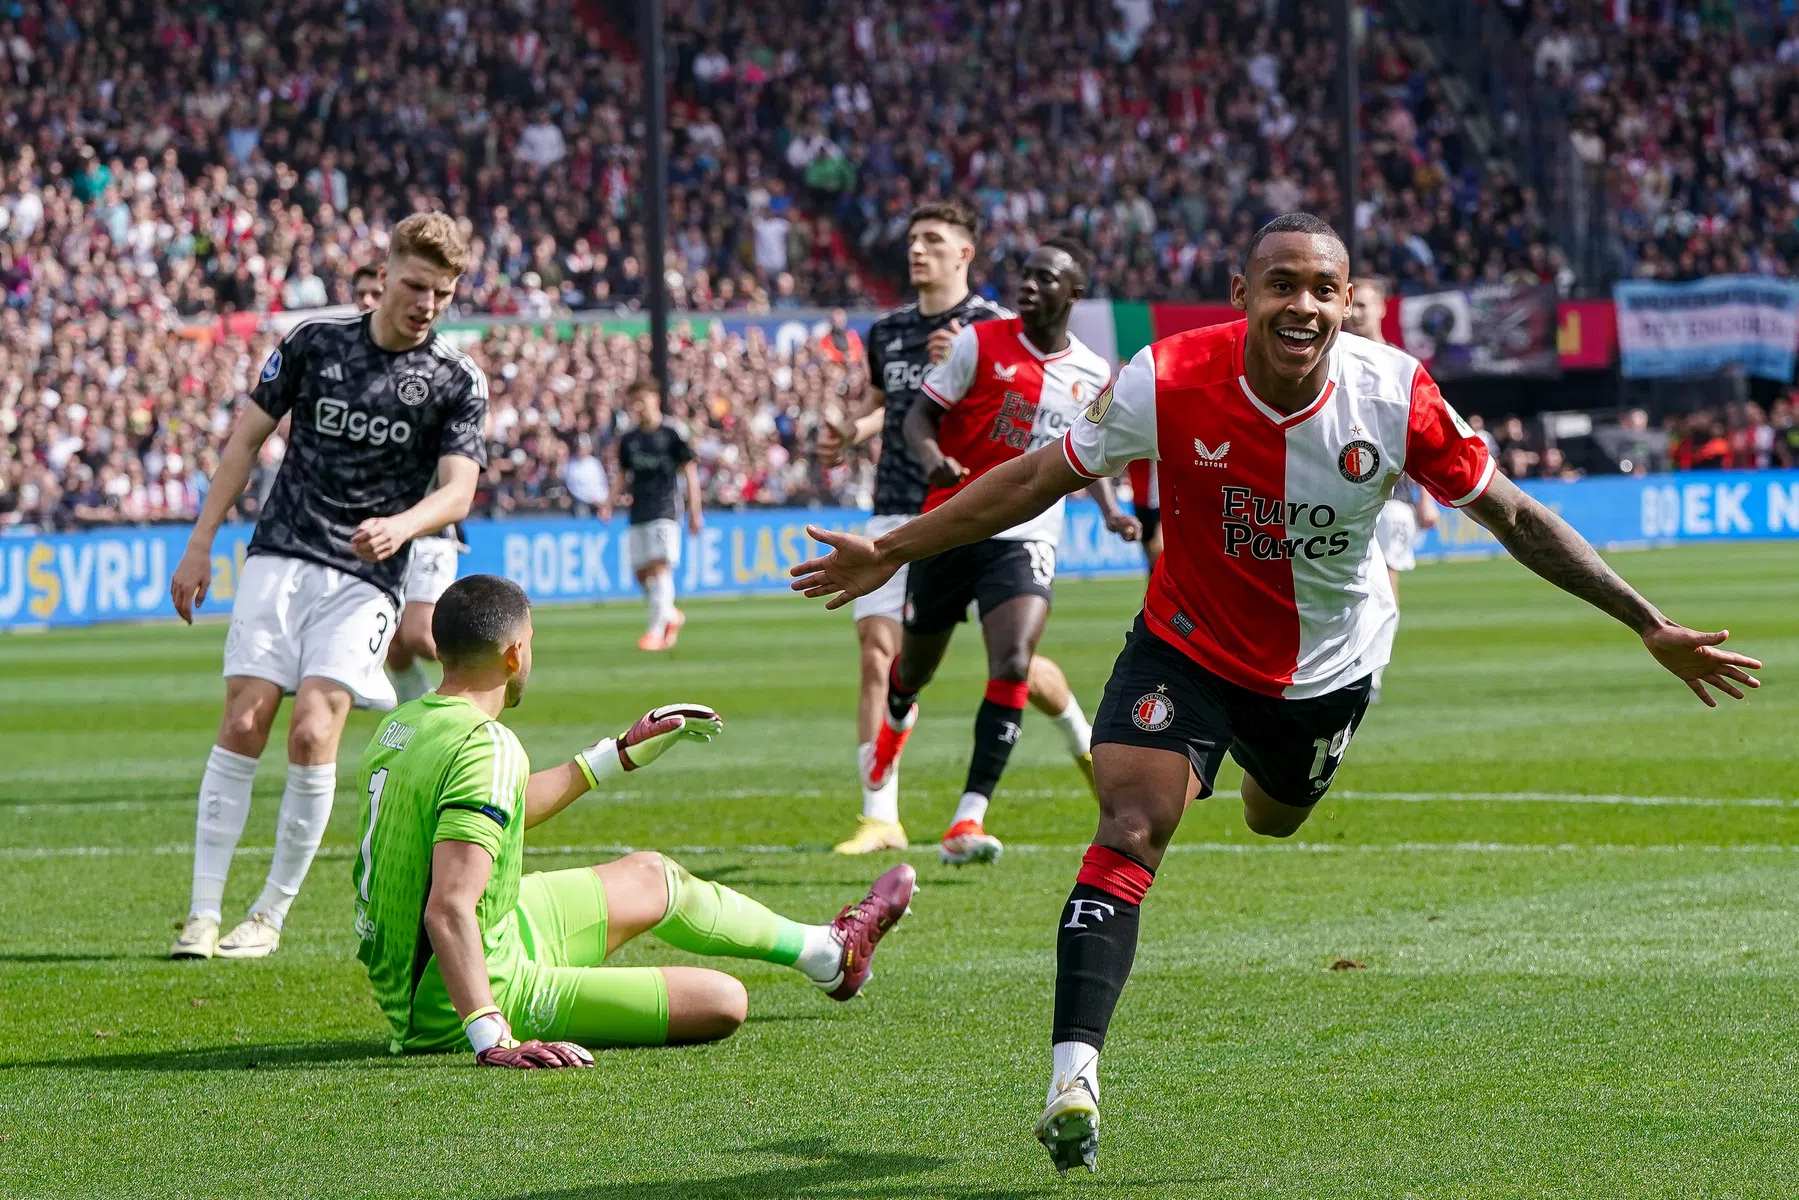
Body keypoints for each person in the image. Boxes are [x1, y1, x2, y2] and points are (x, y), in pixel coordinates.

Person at [790, 213, 1762, 1175]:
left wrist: (1642, 620)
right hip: (1184, 645)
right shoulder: (1164, 380)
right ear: (1242, 295)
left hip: (1321, 674)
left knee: (1274, 818)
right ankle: (1072, 1081)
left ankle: (1244, 780)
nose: (1302, 304)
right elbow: (1036, 478)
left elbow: (1509, 512)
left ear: (1345, 303)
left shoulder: (1392, 394)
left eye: (1322, 289)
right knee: (1128, 823)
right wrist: (893, 544)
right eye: (1282, 284)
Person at [354, 574, 916, 1062]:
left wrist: (616, 752)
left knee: (653, 875)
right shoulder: (488, 743)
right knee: (725, 1001)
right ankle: (481, 1020)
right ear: (514, 654)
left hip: (481, 939)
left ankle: (829, 954)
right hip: (468, 993)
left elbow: (490, 818)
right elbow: (449, 907)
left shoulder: (405, 724)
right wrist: (489, 1033)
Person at [168, 212, 491, 961]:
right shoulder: (314, 343)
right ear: (383, 273)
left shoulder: (454, 378)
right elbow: (245, 441)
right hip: (281, 551)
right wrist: (199, 544)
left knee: (314, 729)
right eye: (415, 286)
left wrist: (405, 525)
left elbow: (460, 491)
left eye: (442, 294)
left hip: (367, 574)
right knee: (245, 721)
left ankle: (269, 915)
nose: (426, 305)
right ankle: (201, 914)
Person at [816, 202, 1126, 857]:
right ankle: (885, 795)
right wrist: (861, 434)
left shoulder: (1005, 335)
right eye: (912, 239)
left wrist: (1108, 509)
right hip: (927, 510)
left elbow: (1083, 446)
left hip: (1018, 527)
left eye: (932, 239)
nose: (917, 250)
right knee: (897, 662)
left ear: (963, 251)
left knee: (1014, 662)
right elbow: (899, 411)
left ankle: (975, 809)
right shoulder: (904, 332)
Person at [1346, 276, 1437, 701]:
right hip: (1341, 496)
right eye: (1352, 304)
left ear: (1383, 309)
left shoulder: (1401, 367)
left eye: (1365, 304)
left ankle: (1373, 673)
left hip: (1393, 499)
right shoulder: (1331, 359)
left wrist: (1428, 495)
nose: (1356, 313)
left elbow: (1423, 438)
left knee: (1385, 585)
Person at [613, 379, 702, 651]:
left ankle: (655, 631)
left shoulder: (672, 434)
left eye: (642, 400)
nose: (638, 407)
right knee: (641, 573)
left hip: (665, 509)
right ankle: (671, 615)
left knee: (659, 566)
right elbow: (622, 474)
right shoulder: (629, 439)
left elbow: (690, 472)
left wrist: (695, 511)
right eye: (633, 403)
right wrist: (608, 502)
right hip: (638, 509)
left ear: (655, 399)